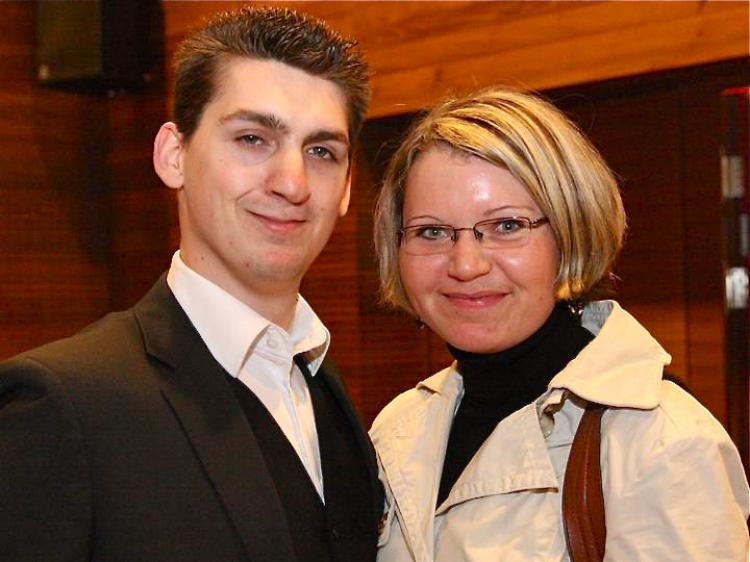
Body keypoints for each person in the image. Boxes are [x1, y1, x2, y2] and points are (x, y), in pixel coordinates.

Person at [0, 7, 382, 562]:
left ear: (347, 188)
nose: (292, 182)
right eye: (253, 139)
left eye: (321, 151)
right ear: (173, 155)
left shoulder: (326, 390)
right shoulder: (66, 405)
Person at [370, 87, 749, 561]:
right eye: (432, 231)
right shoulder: (397, 427)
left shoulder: (662, 444)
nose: (465, 264)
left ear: (570, 234)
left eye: (507, 226)